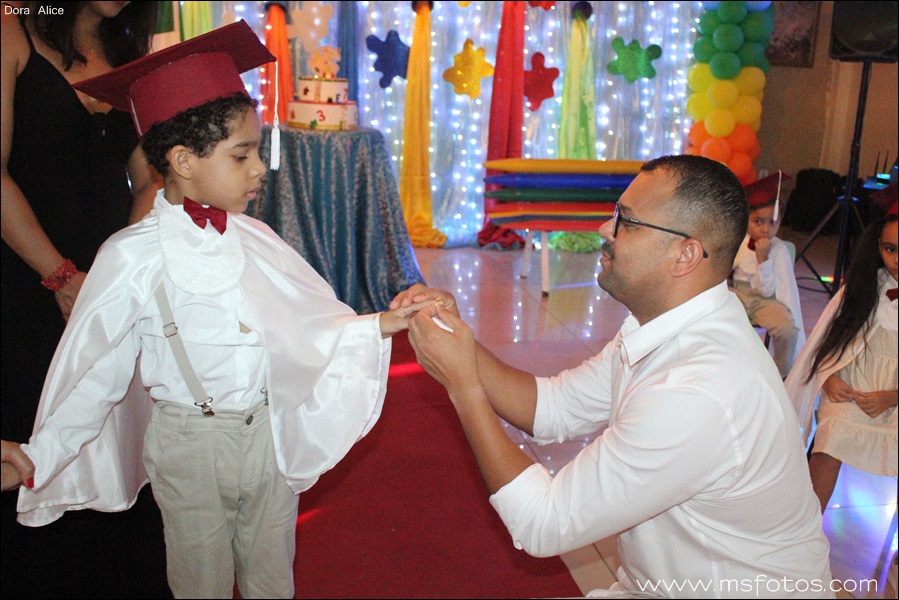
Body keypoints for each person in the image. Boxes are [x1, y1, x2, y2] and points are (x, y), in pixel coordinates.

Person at [4, 21, 429, 599]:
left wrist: (383, 323)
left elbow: (308, 327)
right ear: (183, 161)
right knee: (199, 583)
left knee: (272, 578)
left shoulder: (257, 237)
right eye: (242, 155)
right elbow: (96, 371)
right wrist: (41, 454)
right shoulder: (131, 255)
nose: (260, 168)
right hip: (190, 446)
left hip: (267, 436)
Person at [397, 155, 833, 598]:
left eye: (627, 221)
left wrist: (463, 385)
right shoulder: (668, 326)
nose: (605, 230)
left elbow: (542, 523)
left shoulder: (697, 389)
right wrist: (459, 339)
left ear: (685, 254)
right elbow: (551, 409)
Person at [0, 2, 166, 597]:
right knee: (33, 436)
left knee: (113, 441)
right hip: (23, 283)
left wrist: (116, 277)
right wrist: (60, 276)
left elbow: (150, 179)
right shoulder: (12, 25)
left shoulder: (130, 51)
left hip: (104, 292)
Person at [785, 201, 897, 512]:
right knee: (831, 434)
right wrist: (830, 379)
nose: (897, 260)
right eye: (890, 249)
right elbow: (824, 346)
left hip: (894, 401)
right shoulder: (863, 289)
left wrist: (891, 397)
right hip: (852, 396)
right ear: (878, 246)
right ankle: (805, 525)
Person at [730, 171, 805, 378]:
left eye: (773, 222)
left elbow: (768, 290)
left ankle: (780, 375)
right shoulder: (738, 242)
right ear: (746, 220)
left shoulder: (778, 249)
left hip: (766, 299)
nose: (766, 230)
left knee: (787, 330)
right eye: (758, 222)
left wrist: (763, 261)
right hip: (737, 294)